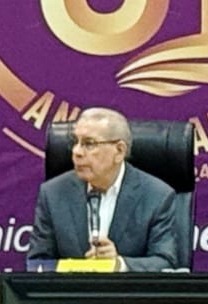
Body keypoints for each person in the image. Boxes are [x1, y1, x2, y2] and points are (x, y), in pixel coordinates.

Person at [28, 107, 180, 272]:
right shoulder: (53, 193)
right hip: (70, 288)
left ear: (119, 151)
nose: (76, 152)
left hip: (127, 289)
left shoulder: (157, 196)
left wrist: (119, 265)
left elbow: (165, 263)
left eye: (89, 144)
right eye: (75, 141)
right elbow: (37, 264)